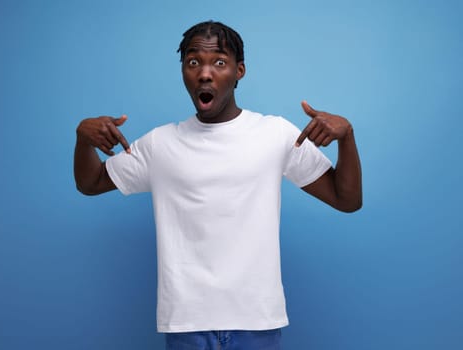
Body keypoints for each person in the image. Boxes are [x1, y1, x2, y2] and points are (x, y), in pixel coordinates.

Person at [74, 20, 362, 350]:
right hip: (187, 325)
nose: (205, 73)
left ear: (240, 71)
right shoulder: (160, 145)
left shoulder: (275, 135)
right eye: (193, 62)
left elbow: (347, 199)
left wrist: (347, 137)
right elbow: (90, 182)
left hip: (257, 322)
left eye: (219, 62)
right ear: (183, 71)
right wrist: (83, 140)